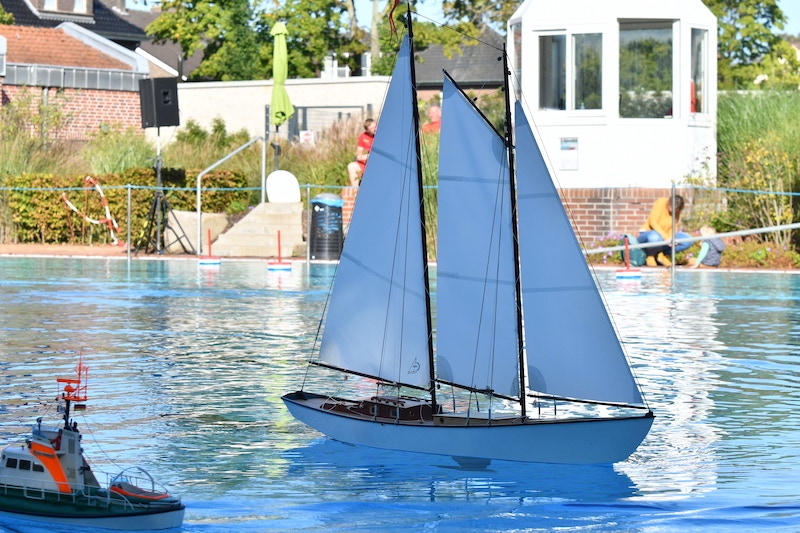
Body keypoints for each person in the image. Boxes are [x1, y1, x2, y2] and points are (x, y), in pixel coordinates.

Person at [638, 195, 691, 267]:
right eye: (673, 208)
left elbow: (674, 226)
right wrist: (666, 238)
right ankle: (650, 255)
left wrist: (672, 238)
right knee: (655, 237)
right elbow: (653, 222)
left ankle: (663, 255)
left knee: (687, 239)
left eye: (676, 210)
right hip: (649, 234)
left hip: (665, 238)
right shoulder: (661, 202)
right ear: (669, 203)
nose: (674, 211)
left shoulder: (677, 211)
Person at [346, 118, 376, 186]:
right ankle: (355, 190)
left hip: (379, 162)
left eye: (375, 126)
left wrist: (370, 156)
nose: (375, 129)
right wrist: (360, 156)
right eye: (372, 128)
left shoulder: (381, 135)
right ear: (367, 130)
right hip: (368, 163)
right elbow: (359, 153)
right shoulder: (363, 136)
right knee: (351, 166)